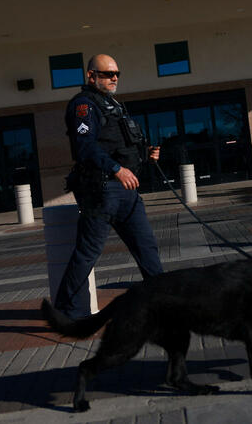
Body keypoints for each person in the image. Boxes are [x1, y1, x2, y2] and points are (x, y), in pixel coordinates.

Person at [53, 54, 163, 320]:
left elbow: (116, 145)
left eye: (117, 74)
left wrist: (145, 155)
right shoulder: (83, 105)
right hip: (101, 191)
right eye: (107, 74)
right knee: (88, 252)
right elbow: (84, 147)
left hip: (126, 192)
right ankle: (64, 311)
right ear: (91, 76)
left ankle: (162, 301)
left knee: (146, 247)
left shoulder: (112, 104)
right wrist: (116, 169)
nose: (114, 78)